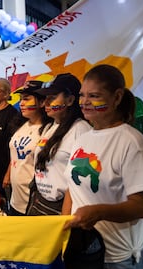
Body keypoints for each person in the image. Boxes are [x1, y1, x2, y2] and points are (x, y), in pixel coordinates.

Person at [62, 64, 143, 269]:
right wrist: (64, 226)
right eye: (82, 95)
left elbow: (140, 206)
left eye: (94, 95)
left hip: (115, 257)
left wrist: (98, 212)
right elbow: (72, 187)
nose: (84, 102)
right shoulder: (83, 138)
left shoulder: (132, 143)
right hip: (82, 249)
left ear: (117, 97)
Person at [27, 73, 91, 215]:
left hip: (62, 208)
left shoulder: (81, 130)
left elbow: (81, 179)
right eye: (46, 98)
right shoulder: (50, 127)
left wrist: (65, 216)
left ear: (70, 100)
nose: (46, 103)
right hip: (40, 202)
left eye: (52, 97)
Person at [5, 80, 50, 216]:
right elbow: (16, 153)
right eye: (20, 99)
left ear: (42, 102)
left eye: (26, 99)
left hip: (32, 201)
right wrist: (8, 174)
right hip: (15, 198)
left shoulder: (47, 131)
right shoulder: (22, 125)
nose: (21, 103)